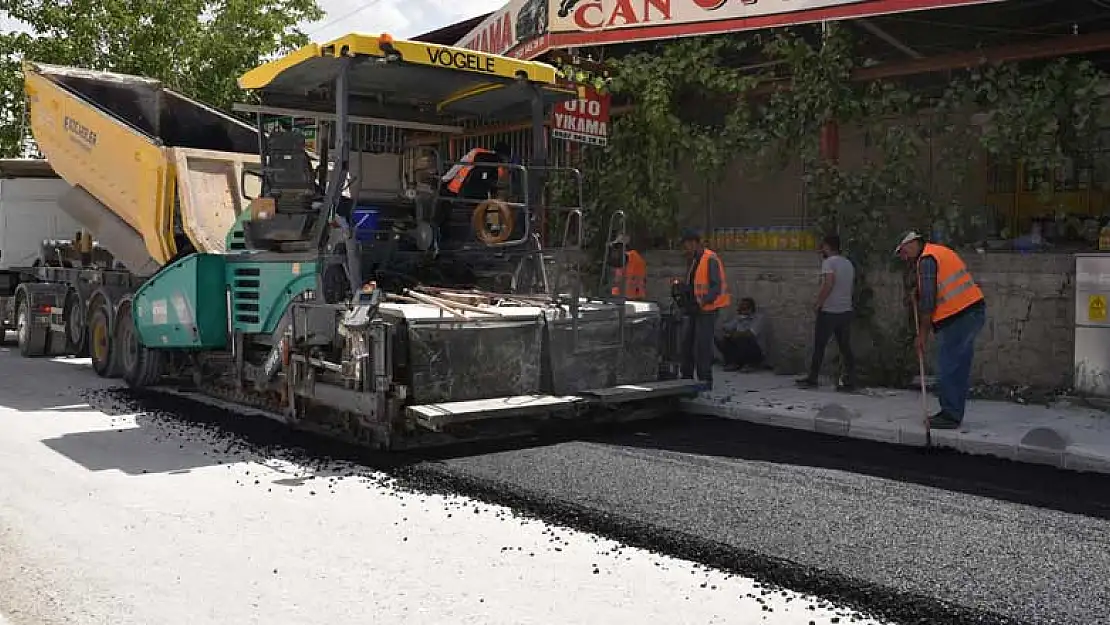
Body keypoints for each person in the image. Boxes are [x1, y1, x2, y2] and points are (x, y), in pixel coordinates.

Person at [895, 231, 986, 429]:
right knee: (957, 366)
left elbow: (928, 303)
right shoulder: (937, 252)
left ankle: (950, 415)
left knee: (948, 366)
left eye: (902, 252)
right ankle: (952, 411)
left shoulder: (927, 260)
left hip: (960, 316)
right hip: (969, 311)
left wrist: (922, 336)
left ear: (911, 244)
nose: (903, 257)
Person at [797, 234, 857, 391]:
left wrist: (819, 303)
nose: (821, 249)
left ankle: (812, 378)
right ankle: (851, 379)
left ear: (828, 247)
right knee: (845, 347)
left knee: (819, 345)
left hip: (830, 310)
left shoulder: (829, 262)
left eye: (823, 246)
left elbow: (829, 284)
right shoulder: (848, 263)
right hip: (845, 310)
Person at [677, 228, 730, 390]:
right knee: (687, 344)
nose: (685, 249)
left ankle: (705, 381)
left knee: (702, 346)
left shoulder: (710, 259)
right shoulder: (694, 260)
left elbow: (716, 286)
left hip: (707, 309)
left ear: (694, 243)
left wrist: (702, 301)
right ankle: (686, 378)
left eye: (686, 246)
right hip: (695, 309)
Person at [715, 297, 768, 372]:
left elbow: (750, 333)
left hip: (755, 350)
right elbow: (726, 327)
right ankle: (733, 363)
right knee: (724, 338)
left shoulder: (758, 318)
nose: (743, 309)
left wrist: (734, 334)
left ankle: (750, 364)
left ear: (751, 308)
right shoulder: (739, 318)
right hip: (740, 348)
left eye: (746, 307)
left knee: (743, 339)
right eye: (741, 307)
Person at [609, 233, 647, 299]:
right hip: (637, 295)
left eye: (617, 247)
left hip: (629, 297)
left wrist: (614, 296)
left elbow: (618, 280)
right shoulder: (636, 257)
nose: (616, 251)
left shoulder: (626, 258)